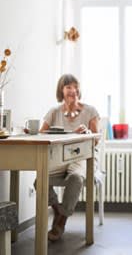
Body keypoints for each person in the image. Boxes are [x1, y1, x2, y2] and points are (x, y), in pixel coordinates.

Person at [38, 73, 99, 241]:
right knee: (39, 181)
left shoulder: (90, 110)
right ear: (61, 90)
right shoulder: (54, 111)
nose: (73, 90)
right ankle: (58, 210)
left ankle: (61, 221)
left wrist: (87, 133)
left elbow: (97, 139)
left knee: (76, 178)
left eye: (75, 86)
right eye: (68, 87)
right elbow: (42, 134)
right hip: (59, 157)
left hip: (83, 156)